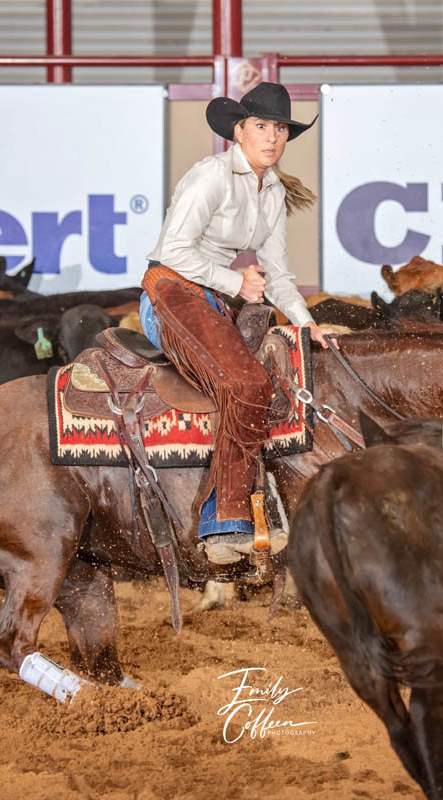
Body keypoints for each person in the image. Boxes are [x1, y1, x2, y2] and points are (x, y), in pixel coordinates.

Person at [140, 81, 332, 565]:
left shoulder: (273, 192)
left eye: (280, 129)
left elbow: (279, 275)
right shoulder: (211, 175)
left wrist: (307, 324)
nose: (272, 137)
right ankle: (223, 522)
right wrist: (235, 281)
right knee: (247, 383)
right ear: (239, 131)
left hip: (211, 300)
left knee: (271, 377)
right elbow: (172, 251)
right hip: (169, 292)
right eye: (261, 126)